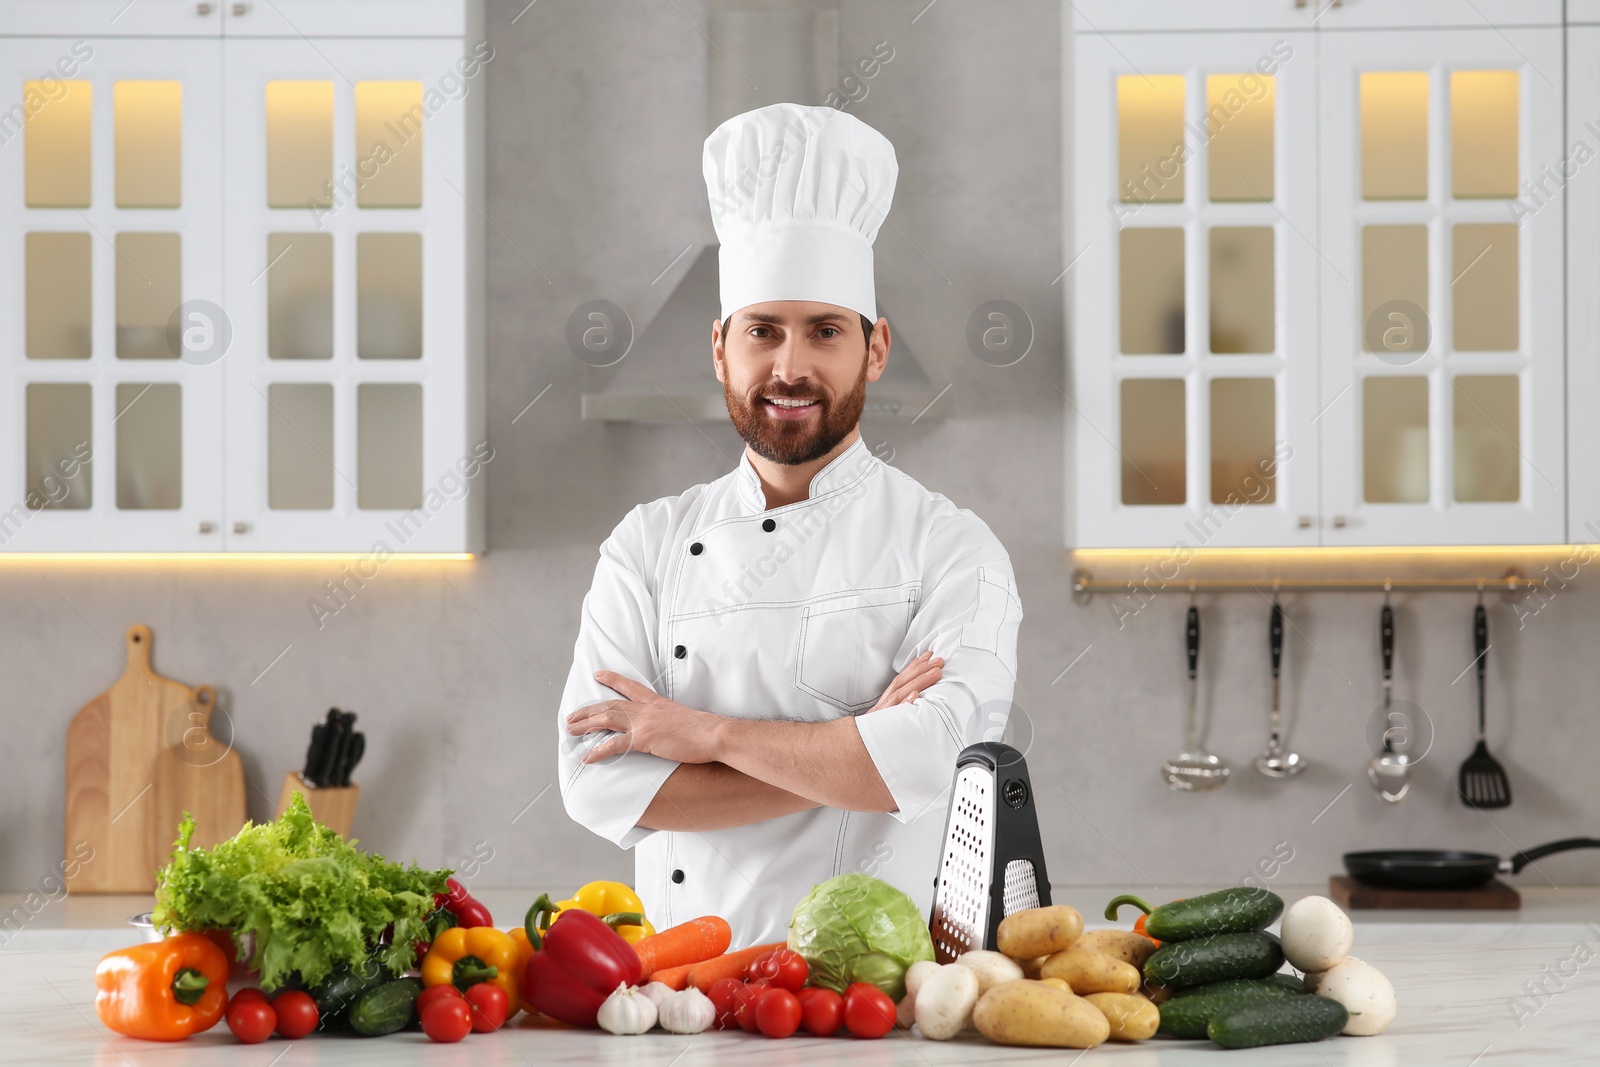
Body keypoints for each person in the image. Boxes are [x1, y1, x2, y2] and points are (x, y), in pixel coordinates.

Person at [558, 102, 1022, 948]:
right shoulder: (646, 545)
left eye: (826, 332)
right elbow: (595, 785)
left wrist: (703, 735)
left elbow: (930, 760)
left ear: (875, 349)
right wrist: (851, 754)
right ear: (720, 346)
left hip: (871, 1008)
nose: (791, 367)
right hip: (675, 999)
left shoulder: (950, 546)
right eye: (764, 330)